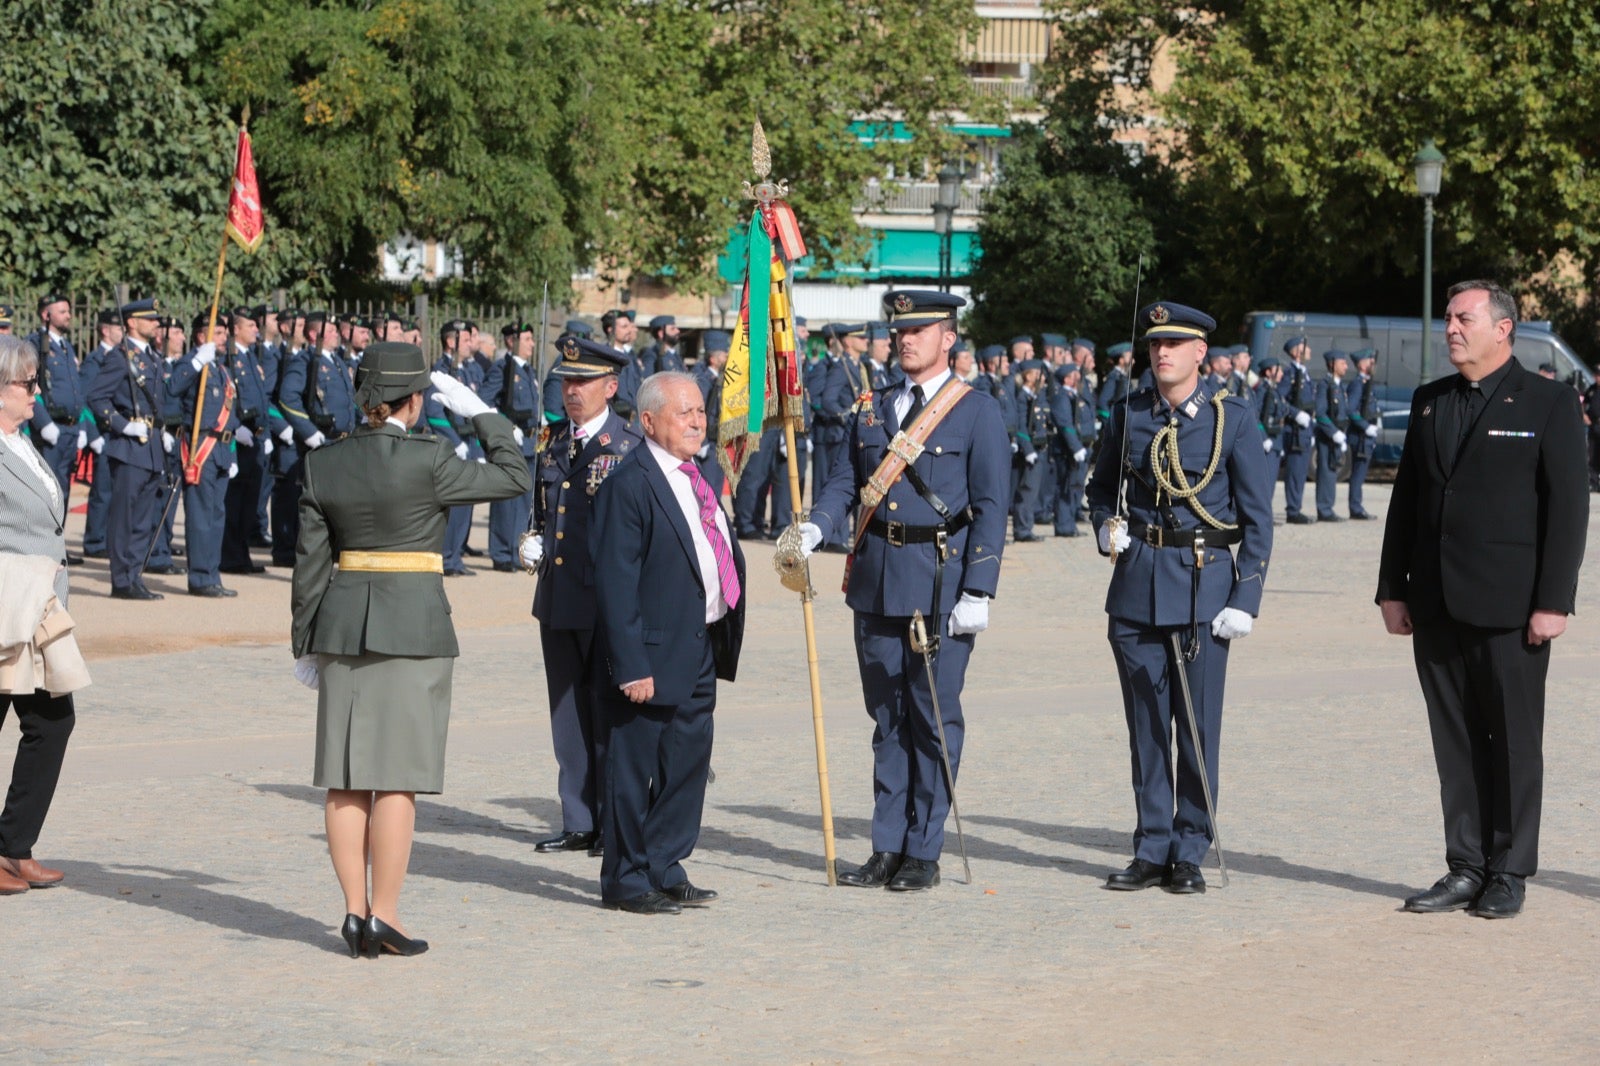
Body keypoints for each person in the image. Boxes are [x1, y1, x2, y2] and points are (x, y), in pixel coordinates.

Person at [291, 342, 532, 956]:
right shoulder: (431, 459)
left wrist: (305, 642)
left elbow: (309, 565)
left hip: (342, 628)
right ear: (416, 401)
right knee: (395, 779)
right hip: (414, 627)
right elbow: (513, 472)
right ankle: (385, 915)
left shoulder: (326, 463)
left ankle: (351, 912)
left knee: (345, 779)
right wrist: (482, 412)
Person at [1376, 279, 1588, 919]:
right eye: (1447, 319)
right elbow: (1407, 502)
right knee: (1456, 741)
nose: (1451, 329)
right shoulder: (1429, 401)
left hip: (1512, 608)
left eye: (1463, 318)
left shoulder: (1549, 402)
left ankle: (1510, 869)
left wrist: (1554, 601)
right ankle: (1465, 865)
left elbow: (1568, 511)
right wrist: (1392, 588)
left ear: (1504, 329)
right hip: (1435, 601)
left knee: (1514, 742)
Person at [797, 290, 1010, 892]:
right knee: (887, 718)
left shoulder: (975, 411)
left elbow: (992, 508)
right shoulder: (874, 407)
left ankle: (924, 849)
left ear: (949, 337)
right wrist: (819, 524)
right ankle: (886, 845)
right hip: (876, 580)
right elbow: (847, 481)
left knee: (932, 717)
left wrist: (980, 589)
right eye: (900, 329)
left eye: (920, 329)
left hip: (940, 583)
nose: (905, 338)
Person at [1088, 301, 1273, 895]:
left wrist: (1246, 597)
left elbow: (1258, 519)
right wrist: (1102, 526)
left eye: (1175, 344)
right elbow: (1098, 488)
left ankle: (1190, 845)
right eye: (1154, 345)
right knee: (1145, 727)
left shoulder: (1232, 420)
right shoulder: (1128, 414)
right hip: (1138, 585)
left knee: (1195, 728)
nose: (1161, 354)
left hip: (1202, 589)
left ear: (1201, 353)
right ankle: (1151, 845)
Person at [591, 371, 746, 914]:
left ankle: (664, 861)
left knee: (687, 763)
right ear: (649, 420)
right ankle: (626, 878)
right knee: (632, 771)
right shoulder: (629, 483)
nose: (698, 421)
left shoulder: (696, 474)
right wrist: (630, 664)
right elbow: (614, 581)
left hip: (699, 642)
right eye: (685, 413)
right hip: (648, 654)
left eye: (701, 411)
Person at [519, 337, 642, 856]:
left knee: (607, 712)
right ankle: (579, 817)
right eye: (567, 382)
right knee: (567, 712)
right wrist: (535, 538)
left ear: (610, 388)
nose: (572, 392)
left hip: (605, 600)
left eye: (583, 383)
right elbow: (548, 509)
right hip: (560, 595)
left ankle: (614, 822)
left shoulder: (628, 447)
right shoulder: (553, 442)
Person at [0, 335, 84, 895]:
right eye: (27, 383)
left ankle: (14, 846)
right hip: (7, 605)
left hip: (38, 610)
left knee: (53, 720)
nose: (37, 393)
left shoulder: (22, 443)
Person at [87, 299, 170, 600]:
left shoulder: (153, 358)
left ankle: (134, 575)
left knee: (142, 518)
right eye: (149, 319)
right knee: (124, 516)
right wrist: (122, 425)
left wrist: (164, 431)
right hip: (129, 446)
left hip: (150, 447)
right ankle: (121, 579)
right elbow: (97, 398)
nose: (155, 323)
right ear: (132, 322)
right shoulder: (121, 357)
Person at [483, 322, 540, 572]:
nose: (532, 344)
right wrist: (507, 427)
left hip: (528, 442)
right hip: (511, 441)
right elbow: (485, 402)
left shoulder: (528, 371)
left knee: (524, 502)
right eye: (527, 339)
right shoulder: (502, 369)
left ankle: (517, 551)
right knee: (506, 502)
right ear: (511, 341)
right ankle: (501, 552)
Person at [1277, 336, 1316, 523]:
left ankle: (1296, 507)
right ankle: (1292, 510)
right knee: (1295, 472)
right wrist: (1295, 414)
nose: (1308, 350)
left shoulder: (1303, 372)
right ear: (1295, 351)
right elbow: (1279, 398)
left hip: (1305, 431)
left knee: (1301, 472)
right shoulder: (1290, 373)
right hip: (1295, 431)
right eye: (1304, 347)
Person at [1311, 349, 1350, 522]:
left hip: (1338, 433)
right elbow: (1320, 413)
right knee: (1326, 471)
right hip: (1328, 436)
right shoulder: (1325, 385)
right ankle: (1324, 509)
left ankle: (1328, 507)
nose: (1346, 366)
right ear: (1333, 364)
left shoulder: (1338, 385)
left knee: (1332, 471)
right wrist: (1333, 433)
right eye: (1343, 363)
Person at [1344, 347, 1380, 520]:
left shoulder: (1366, 383)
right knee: (1358, 473)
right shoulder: (1358, 384)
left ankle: (1357, 505)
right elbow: (1350, 410)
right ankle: (1355, 507)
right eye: (1370, 360)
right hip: (1359, 436)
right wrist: (1365, 426)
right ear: (1361, 364)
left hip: (1365, 436)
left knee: (1361, 472)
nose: (1373, 363)